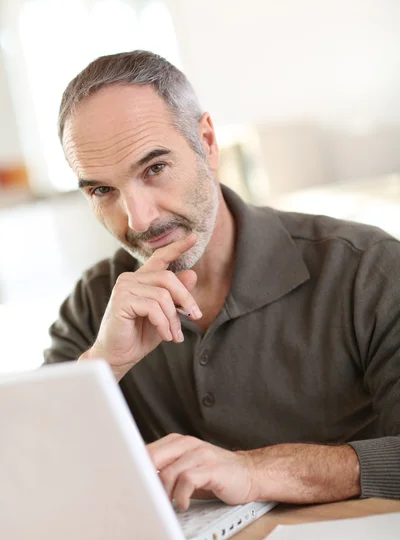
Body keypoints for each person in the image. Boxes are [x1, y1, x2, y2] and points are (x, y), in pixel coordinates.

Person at [45, 50, 400, 511]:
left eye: (154, 168)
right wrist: (102, 368)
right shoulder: (95, 305)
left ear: (207, 143)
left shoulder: (365, 270)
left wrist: (254, 472)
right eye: (102, 190)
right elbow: (28, 476)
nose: (139, 218)